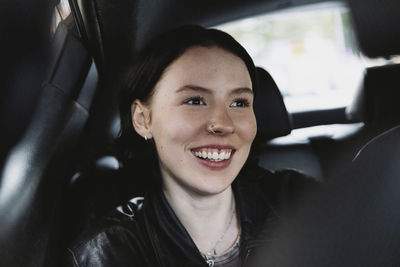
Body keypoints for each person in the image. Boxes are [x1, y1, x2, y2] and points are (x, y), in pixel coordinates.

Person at [64, 25, 315, 267]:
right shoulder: (108, 253)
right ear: (142, 119)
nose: (222, 124)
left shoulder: (303, 202)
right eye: (195, 100)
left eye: (239, 103)